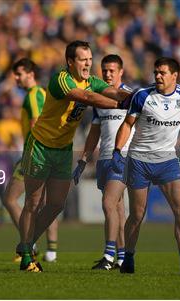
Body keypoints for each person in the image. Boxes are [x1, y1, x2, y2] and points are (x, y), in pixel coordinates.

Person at [17, 40, 131, 272]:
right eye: (83, 60)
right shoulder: (61, 80)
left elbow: (113, 91)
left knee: (56, 204)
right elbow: (87, 98)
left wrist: (132, 96)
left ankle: (25, 244)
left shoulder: (92, 81)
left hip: (63, 149)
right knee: (33, 202)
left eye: (90, 59)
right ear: (70, 62)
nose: (88, 64)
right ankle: (28, 255)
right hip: (40, 145)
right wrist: (122, 104)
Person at [112, 57, 180, 275]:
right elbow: (127, 124)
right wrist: (117, 150)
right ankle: (128, 259)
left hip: (168, 161)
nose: (158, 76)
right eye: (156, 73)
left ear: (175, 75)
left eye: (162, 73)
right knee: (137, 214)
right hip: (139, 160)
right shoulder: (142, 95)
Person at [73, 54, 133, 270]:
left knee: (108, 203)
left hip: (123, 157)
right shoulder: (99, 99)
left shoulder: (130, 97)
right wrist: (83, 160)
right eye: (105, 70)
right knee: (117, 209)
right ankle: (123, 257)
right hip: (104, 159)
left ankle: (108, 256)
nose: (108, 74)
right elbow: (94, 133)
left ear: (121, 72)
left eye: (112, 70)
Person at [3, 58, 59, 263]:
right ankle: (51, 249)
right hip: (47, 152)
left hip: (34, 153)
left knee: (10, 199)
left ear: (30, 74)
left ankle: (30, 242)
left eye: (19, 74)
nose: (16, 78)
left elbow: (36, 124)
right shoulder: (41, 93)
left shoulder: (34, 95)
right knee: (44, 203)